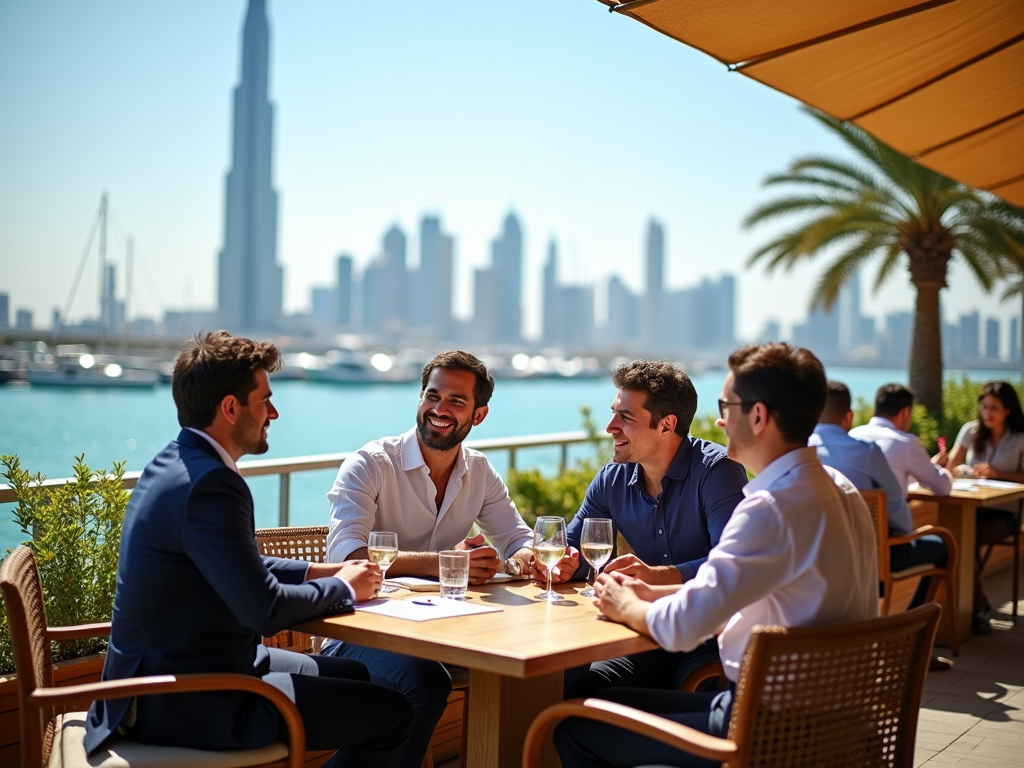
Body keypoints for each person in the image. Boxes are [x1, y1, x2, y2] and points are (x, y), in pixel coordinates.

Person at [85, 331, 412, 767]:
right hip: (187, 698)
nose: (273, 413)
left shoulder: (174, 463)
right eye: (265, 401)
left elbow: (242, 565)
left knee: (356, 674)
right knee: (394, 713)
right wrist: (347, 591)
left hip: (171, 675)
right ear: (230, 408)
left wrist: (325, 572)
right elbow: (263, 610)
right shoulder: (212, 484)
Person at [554, 343, 878, 768]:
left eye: (727, 406)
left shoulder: (771, 509)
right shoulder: (841, 488)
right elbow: (737, 595)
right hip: (836, 720)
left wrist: (626, 603)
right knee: (595, 700)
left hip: (764, 726)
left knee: (574, 726)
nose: (720, 419)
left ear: (758, 417)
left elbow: (681, 627)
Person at [323, 349, 535, 766]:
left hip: (445, 635)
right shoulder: (369, 464)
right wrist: (447, 564)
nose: (440, 409)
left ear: (479, 416)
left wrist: (523, 561)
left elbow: (518, 538)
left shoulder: (480, 472)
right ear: (420, 398)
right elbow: (348, 557)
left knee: (531, 665)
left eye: (456, 401)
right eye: (432, 396)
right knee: (424, 681)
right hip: (358, 635)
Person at [552, 360, 748, 698]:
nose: (610, 427)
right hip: (646, 634)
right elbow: (575, 551)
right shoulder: (611, 480)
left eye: (625, 418)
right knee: (576, 685)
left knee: (693, 691)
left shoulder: (718, 472)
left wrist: (660, 575)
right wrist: (561, 562)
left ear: (666, 425)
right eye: (614, 413)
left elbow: (731, 569)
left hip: (709, 638)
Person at [810, 381, 950, 669]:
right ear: (848, 417)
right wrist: (906, 535)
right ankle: (908, 642)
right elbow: (896, 506)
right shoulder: (867, 452)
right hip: (874, 557)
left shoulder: (800, 450)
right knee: (943, 546)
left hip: (817, 556)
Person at [941, 380, 1024, 633]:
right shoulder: (970, 431)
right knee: (956, 542)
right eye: (985, 407)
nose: (987, 413)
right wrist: (949, 465)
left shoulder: (1020, 438)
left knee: (963, 544)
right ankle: (978, 606)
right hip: (971, 507)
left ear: (1008, 409)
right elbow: (950, 467)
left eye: (994, 408)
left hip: (1004, 512)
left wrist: (998, 473)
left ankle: (977, 609)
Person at [849, 383, 953, 495]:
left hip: (856, 511)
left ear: (875, 410)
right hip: (892, 512)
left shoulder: (852, 435)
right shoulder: (905, 442)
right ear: (905, 412)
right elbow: (942, 487)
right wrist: (947, 471)